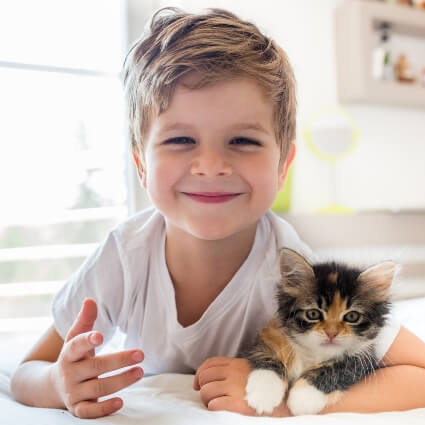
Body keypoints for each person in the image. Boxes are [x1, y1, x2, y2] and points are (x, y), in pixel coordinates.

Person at [10, 7, 425, 419]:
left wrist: (286, 402)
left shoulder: (293, 270)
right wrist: (57, 384)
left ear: (283, 166)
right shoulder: (125, 255)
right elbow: (28, 371)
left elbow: (419, 371)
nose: (210, 165)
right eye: (181, 139)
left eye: (242, 140)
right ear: (140, 165)